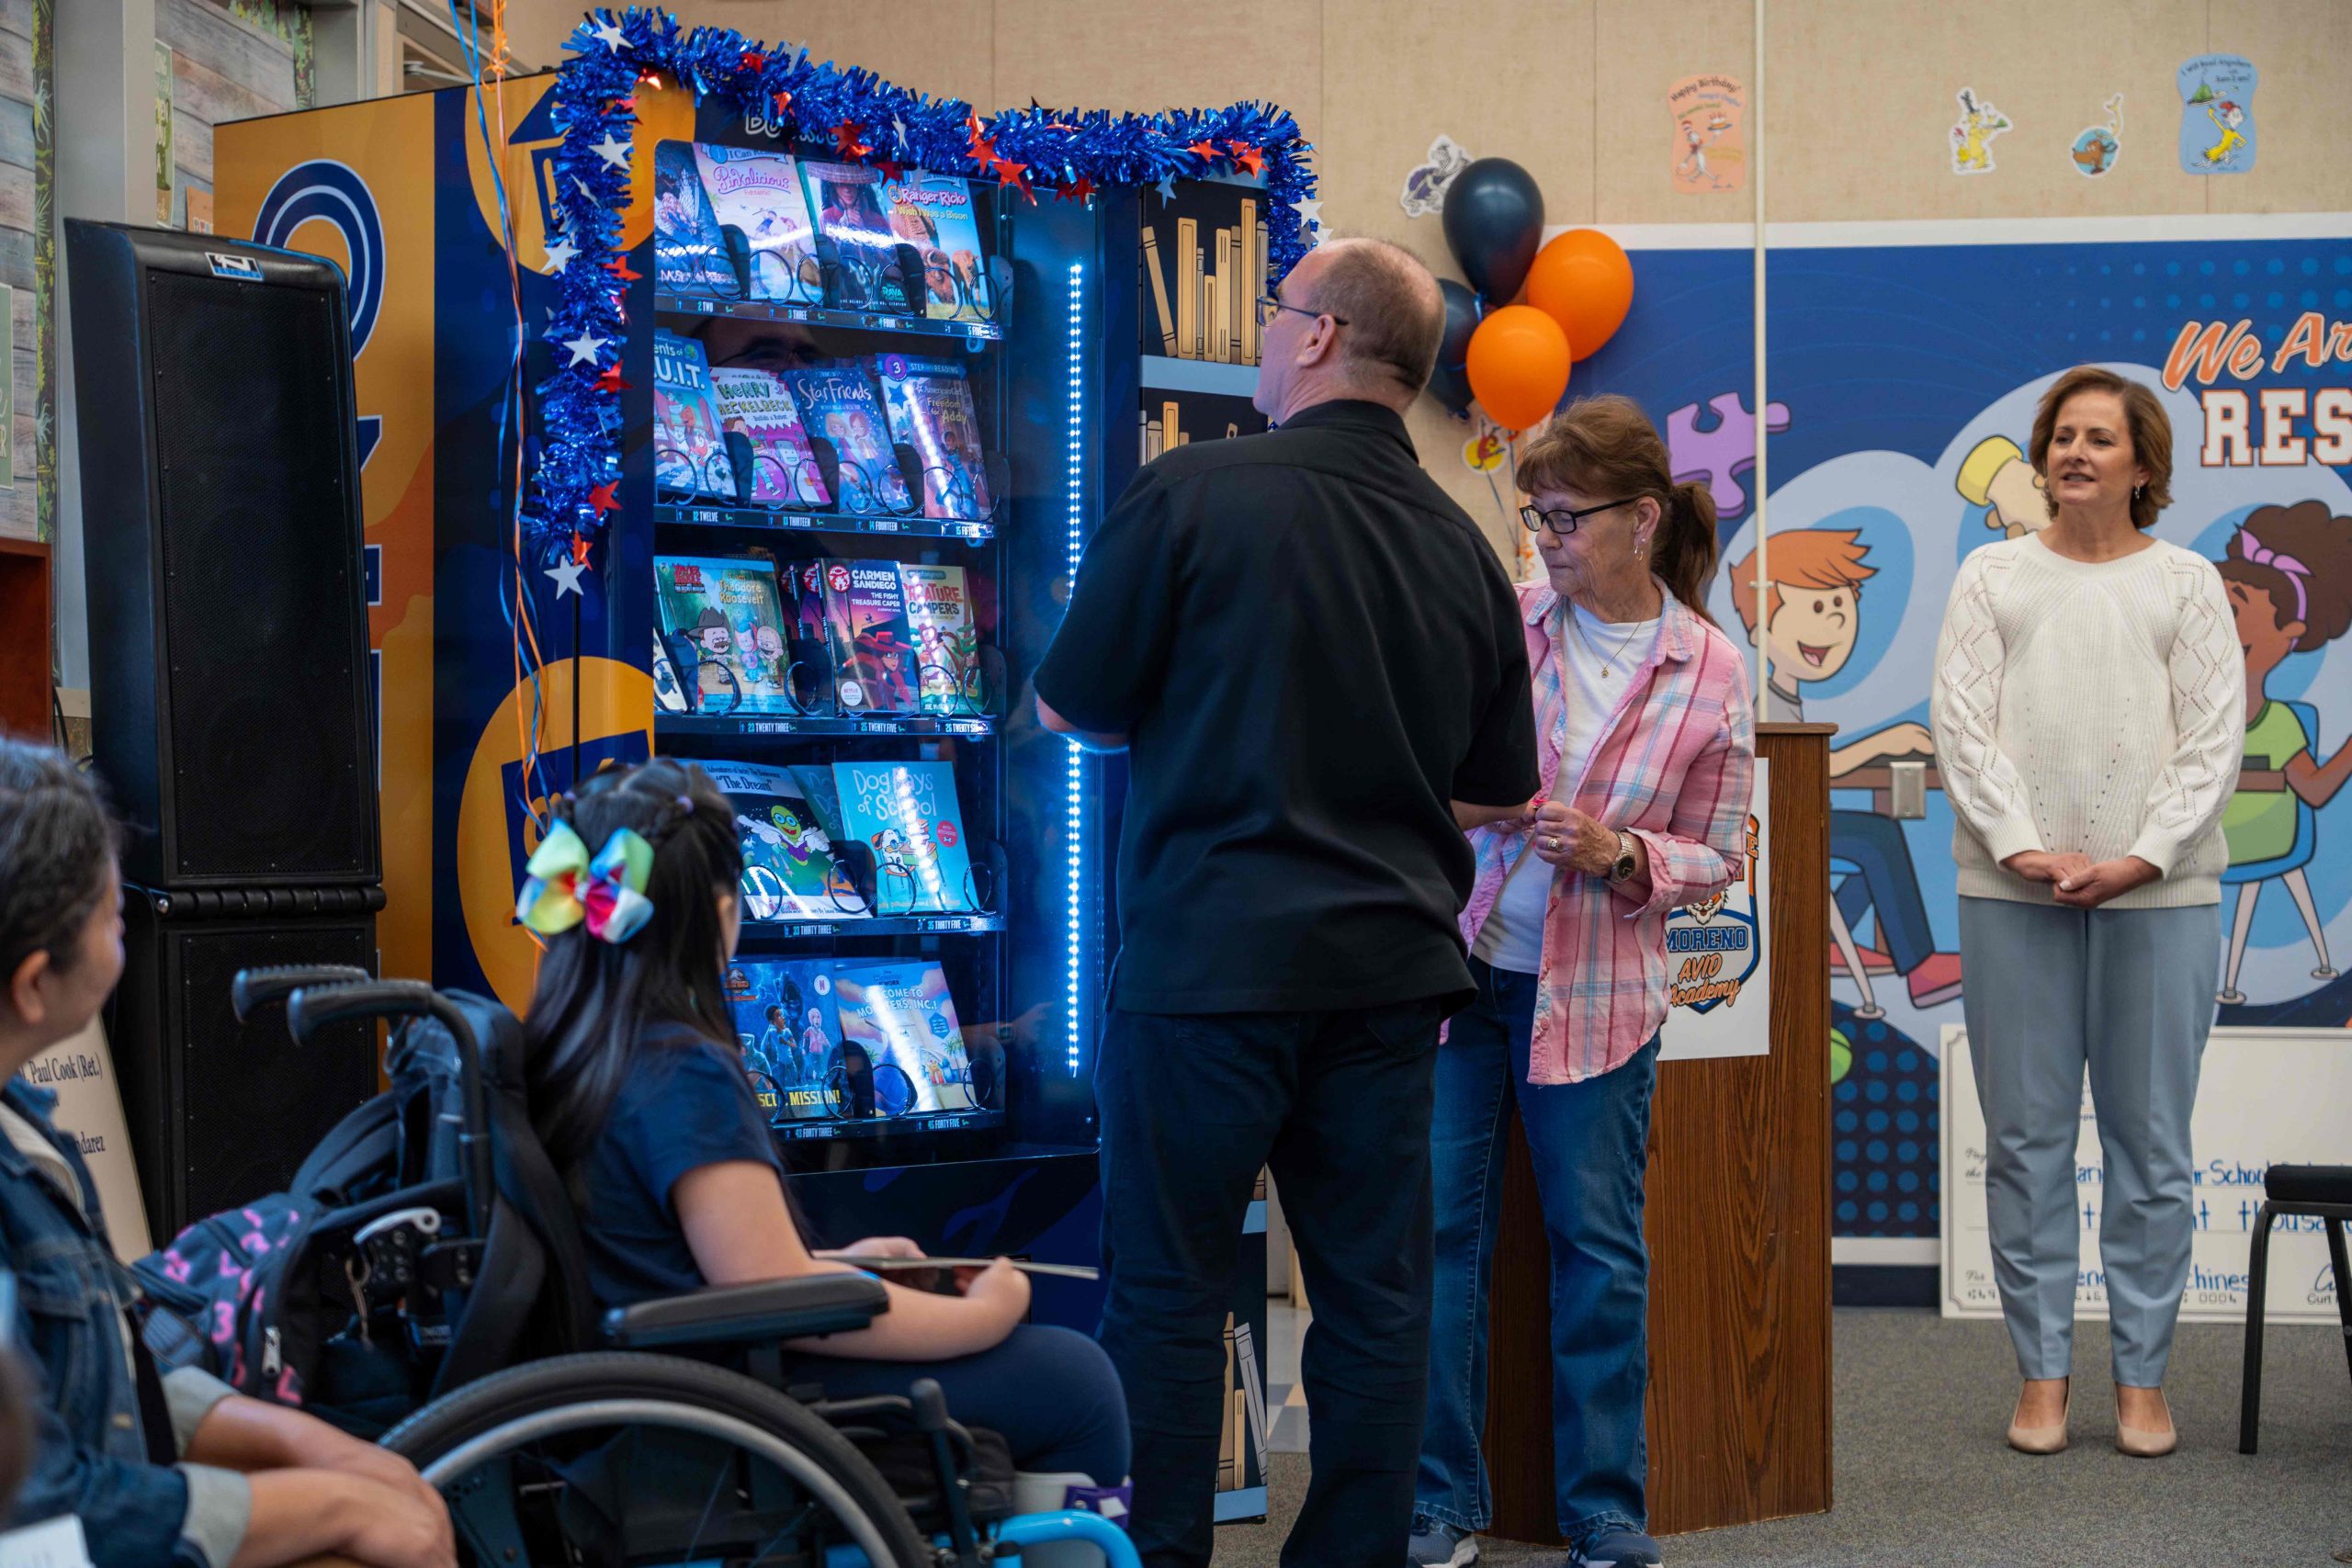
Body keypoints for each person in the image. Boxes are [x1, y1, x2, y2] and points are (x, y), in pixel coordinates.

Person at [1034, 235, 1541, 1568]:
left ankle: (1164, 1557)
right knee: (1377, 1300)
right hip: (1388, 978)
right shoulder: (1468, 547)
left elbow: (1070, 702)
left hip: (1207, 966)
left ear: (1318, 337)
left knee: (1166, 1294)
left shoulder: (1191, 494)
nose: (1262, 333)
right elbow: (1498, 787)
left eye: (1273, 312)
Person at [514, 758, 1130, 1527]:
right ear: (719, 912)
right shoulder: (683, 1070)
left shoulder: (568, 1042)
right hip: (726, 1401)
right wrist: (988, 1313)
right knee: (1082, 1383)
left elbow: (702, 1268)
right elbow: (769, 1301)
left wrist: (841, 1266)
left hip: (651, 1385)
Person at [1410, 397, 1757, 1568]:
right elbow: (1422, 784)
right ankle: (1440, 1503)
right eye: (1534, 517)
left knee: (1596, 1253)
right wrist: (1489, 805)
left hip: (1599, 1003)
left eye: (1563, 517)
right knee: (1438, 1239)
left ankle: (1604, 1512)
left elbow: (1721, 853)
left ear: (1641, 520)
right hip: (1461, 980)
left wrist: (1621, 855)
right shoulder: (1507, 624)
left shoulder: (1710, 668)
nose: (1545, 539)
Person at [0, 736, 455, 1567]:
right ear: (35, 983)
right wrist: (337, 1503)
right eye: (110, 914)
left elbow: (112, 1380)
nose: (124, 918)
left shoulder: (22, 1125)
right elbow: (45, 1525)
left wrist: (313, 1448)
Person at [1929, 366, 2244, 1458]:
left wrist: (2140, 857)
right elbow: (1961, 728)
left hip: (2161, 897)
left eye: (2100, 439)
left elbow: (2213, 741)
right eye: (2062, 436)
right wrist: (2022, 847)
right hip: (2009, 892)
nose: (2074, 453)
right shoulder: (1990, 575)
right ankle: (2043, 1375)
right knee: (2023, 1145)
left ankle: (2144, 1380)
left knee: (2151, 1145)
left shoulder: (2188, 583)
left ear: (2143, 465)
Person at [1726, 530, 1962, 1010]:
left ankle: (1833, 934)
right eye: (1816, 607)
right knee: (1878, 839)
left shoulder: (1785, 697)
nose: (1833, 620)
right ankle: (1918, 967)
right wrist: (1886, 741)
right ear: (1759, 631)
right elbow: (1810, 767)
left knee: (1873, 843)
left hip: (1792, 823)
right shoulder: (1770, 700)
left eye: (1839, 606)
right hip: (1778, 830)